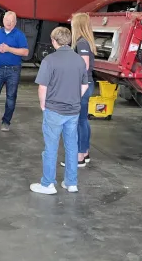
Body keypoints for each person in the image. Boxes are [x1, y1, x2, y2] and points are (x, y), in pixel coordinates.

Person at [30, 27, 88, 195]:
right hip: (73, 111)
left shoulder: (50, 60)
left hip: (54, 110)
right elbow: (84, 84)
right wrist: (76, 98)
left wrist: (43, 104)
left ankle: (47, 184)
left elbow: (43, 86)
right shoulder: (79, 60)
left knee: (51, 147)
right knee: (71, 147)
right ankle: (71, 183)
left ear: (54, 40)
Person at [71, 13, 96, 167]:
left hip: (83, 84)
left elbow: (84, 66)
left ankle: (79, 156)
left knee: (79, 121)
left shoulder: (81, 43)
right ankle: (85, 152)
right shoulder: (87, 42)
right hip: (88, 83)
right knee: (83, 121)